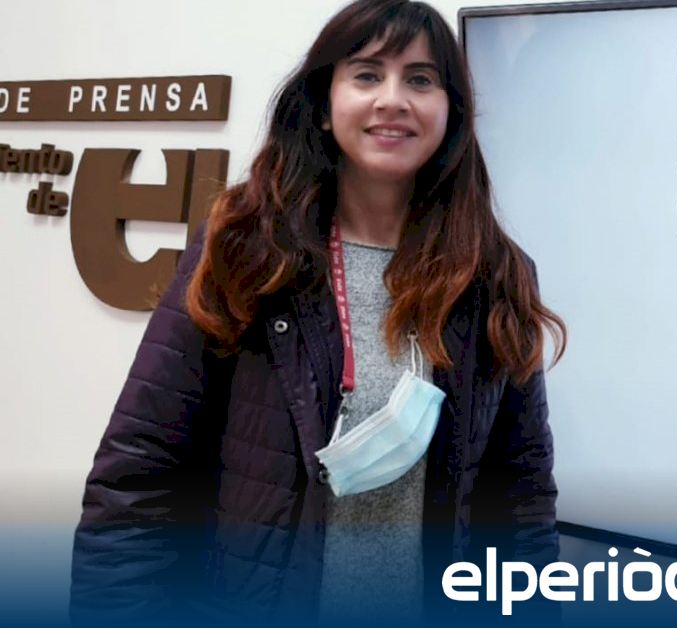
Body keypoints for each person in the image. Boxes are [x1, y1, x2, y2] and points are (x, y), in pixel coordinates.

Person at [69, 0, 566, 624]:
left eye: (420, 79)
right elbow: (138, 476)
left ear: (451, 112)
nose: (393, 100)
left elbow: (522, 501)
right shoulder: (246, 253)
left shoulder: (493, 276)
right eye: (367, 75)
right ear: (325, 106)